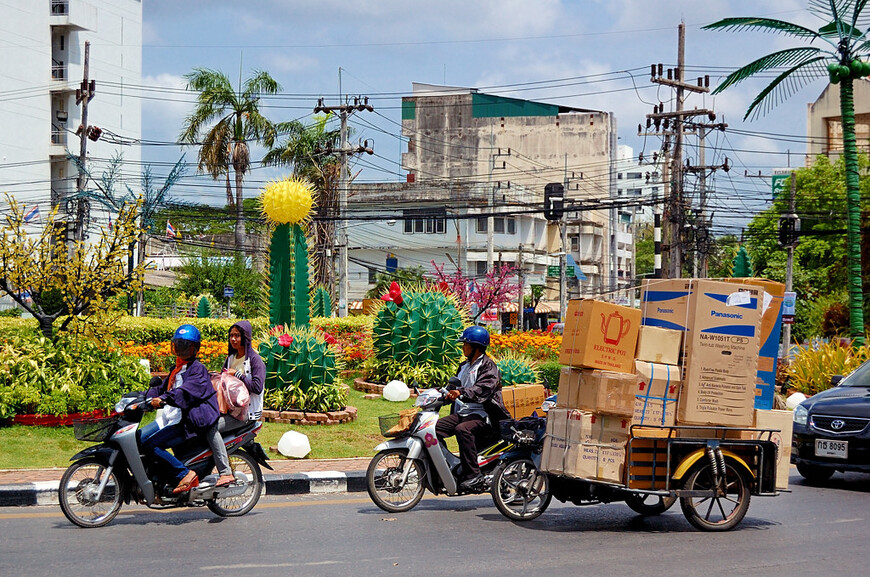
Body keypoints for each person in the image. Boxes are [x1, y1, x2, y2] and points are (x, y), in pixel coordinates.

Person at [141, 324, 220, 495]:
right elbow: (161, 389)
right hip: (169, 417)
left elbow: (183, 392)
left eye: (186, 345)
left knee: (151, 444)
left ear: (195, 349)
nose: (181, 349)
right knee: (138, 439)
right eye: (178, 344)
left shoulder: (197, 370)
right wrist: (139, 396)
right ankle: (154, 478)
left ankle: (186, 474)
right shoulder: (177, 368)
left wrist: (162, 399)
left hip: (188, 421)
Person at [436, 325, 510, 492]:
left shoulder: (488, 367)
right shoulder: (464, 366)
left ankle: (473, 475)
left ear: (476, 347)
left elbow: (483, 389)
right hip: (463, 412)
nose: (463, 347)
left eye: (465, 344)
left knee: (463, 430)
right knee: (433, 429)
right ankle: (451, 466)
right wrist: (440, 394)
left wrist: (460, 392)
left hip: (484, 414)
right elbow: (453, 387)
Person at [205, 320, 266, 487]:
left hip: (245, 414)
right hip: (228, 410)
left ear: (245, 337)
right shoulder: (230, 358)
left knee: (212, 428)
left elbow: (257, 387)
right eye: (231, 335)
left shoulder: (254, 360)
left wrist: (238, 375)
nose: (233, 339)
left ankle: (225, 472)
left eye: (237, 336)